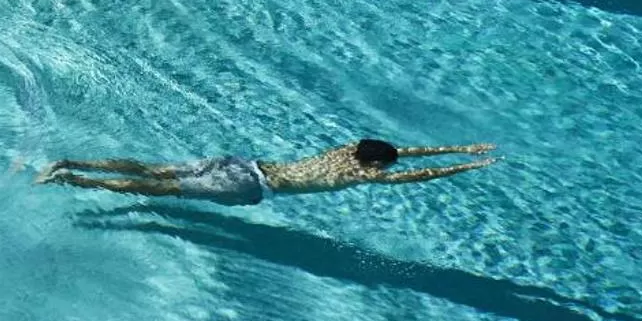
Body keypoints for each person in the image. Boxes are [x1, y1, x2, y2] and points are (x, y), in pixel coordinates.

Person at [36, 138, 496, 204]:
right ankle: (75, 180)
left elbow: (405, 152)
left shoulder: (349, 151)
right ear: (374, 165)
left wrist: (459, 147)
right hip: (247, 184)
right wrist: (464, 165)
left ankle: (69, 162)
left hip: (243, 163)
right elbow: (413, 173)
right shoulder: (365, 175)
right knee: (162, 189)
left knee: (154, 170)